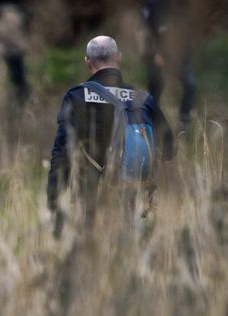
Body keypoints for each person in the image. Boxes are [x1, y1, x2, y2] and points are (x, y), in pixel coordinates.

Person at [47, 35, 174, 236]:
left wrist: (53, 196)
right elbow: (169, 147)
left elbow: (62, 149)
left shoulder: (76, 96)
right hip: (132, 187)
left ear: (87, 61)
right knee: (130, 239)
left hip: (89, 191)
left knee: (90, 242)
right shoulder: (143, 98)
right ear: (119, 58)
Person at [142, 0, 197, 136]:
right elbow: (146, 31)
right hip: (157, 56)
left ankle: (183, 125)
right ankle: (151, 124)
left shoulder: (181, 6)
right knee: (155, 91)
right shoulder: (152, 6)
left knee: (190, 85)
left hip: (177, 56)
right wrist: (156, 52)